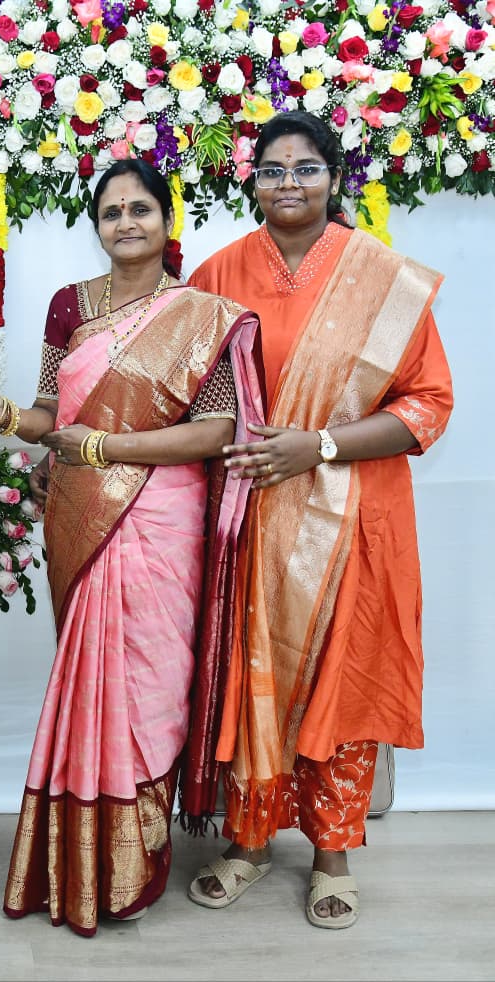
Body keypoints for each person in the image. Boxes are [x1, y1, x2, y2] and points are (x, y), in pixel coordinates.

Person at [0, 159, 264, 936]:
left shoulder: (201, 315)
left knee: (152, 686)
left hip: (163, 519)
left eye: (139, 209)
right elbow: (46, 414)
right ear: (96, 226)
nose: (125, 222)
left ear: (166, 220)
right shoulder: (70, 306)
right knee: (92, 682)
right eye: (110, 212)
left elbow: (215, 432)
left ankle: (136, 860)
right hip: (83, 515)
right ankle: (84, 862)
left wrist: (104, 449)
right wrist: (3, 417)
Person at [185, 111, 453, 929]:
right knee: (249, 676)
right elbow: (187, 395)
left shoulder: (382, 278)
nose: (289, 183)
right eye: (272, 168)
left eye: (305, 168)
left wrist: (320, 446)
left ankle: (332, 851)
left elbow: (427, 405)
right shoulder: (217, 273)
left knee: (340, 680)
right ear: (251, 180)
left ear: (333, 179)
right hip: (247, 515)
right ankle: (248, 841)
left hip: (351, 520)